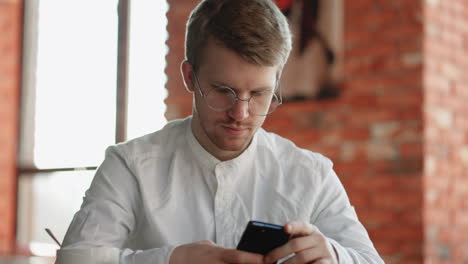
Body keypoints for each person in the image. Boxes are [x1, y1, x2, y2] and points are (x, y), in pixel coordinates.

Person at [61, 0, 384, 263]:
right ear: (190, 76)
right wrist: (171, 260)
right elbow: (75, 260)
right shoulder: (130, 164)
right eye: (223, 91)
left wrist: (336, 256)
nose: (240, 114)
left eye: (259, 94)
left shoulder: (311, 174)